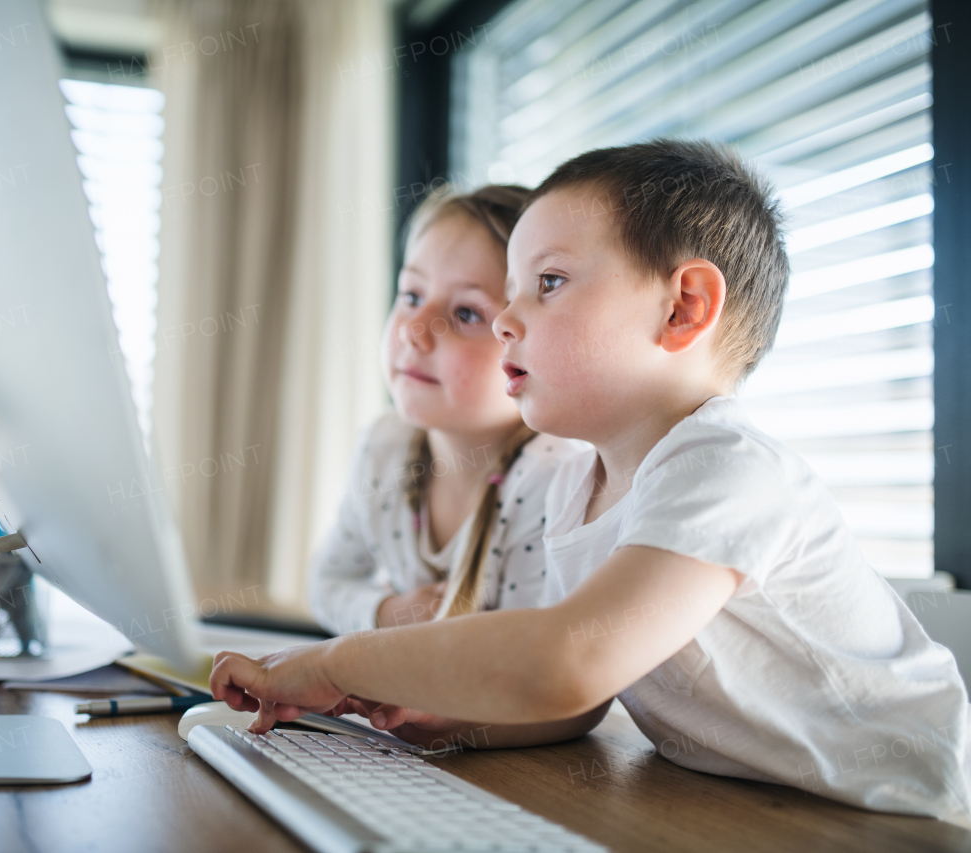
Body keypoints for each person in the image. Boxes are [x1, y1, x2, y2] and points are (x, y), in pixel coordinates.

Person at [210, 140, 971, 825]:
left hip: (903, 809)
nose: (508, 319)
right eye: (508, 294)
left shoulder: (727, 467)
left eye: (547, 282)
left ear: (682, 308)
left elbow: (567, 660)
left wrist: (333, 662)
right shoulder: (583, 483)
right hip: (740, 802)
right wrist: (461, 713)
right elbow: (579, 699)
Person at [308, 186, 583, 635]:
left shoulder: (551, 484)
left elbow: (523, 666)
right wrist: (384, 614)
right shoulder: (384, 447)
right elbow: (326, 583)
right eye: (412, 295)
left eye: (466, 313)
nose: (415, 330)